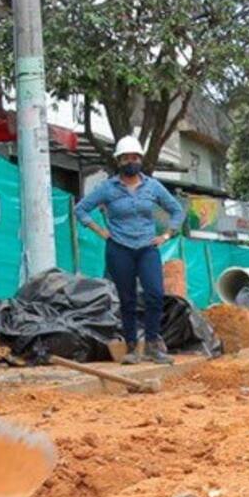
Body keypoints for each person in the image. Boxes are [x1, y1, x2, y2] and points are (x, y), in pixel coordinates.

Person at [75, 136, 186, 366]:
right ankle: (132, 347)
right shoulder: (107, 188)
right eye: (126, 158)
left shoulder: (153, 187)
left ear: (140, 160)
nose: (130, 161)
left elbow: (177, 210)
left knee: (155, 295)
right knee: (127, 299)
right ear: (119, 161)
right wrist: (100, 231)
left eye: (134, 157)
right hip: (119, 250)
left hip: (147, 248)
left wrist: (166, 234)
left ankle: (153, 345)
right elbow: (81, 209)